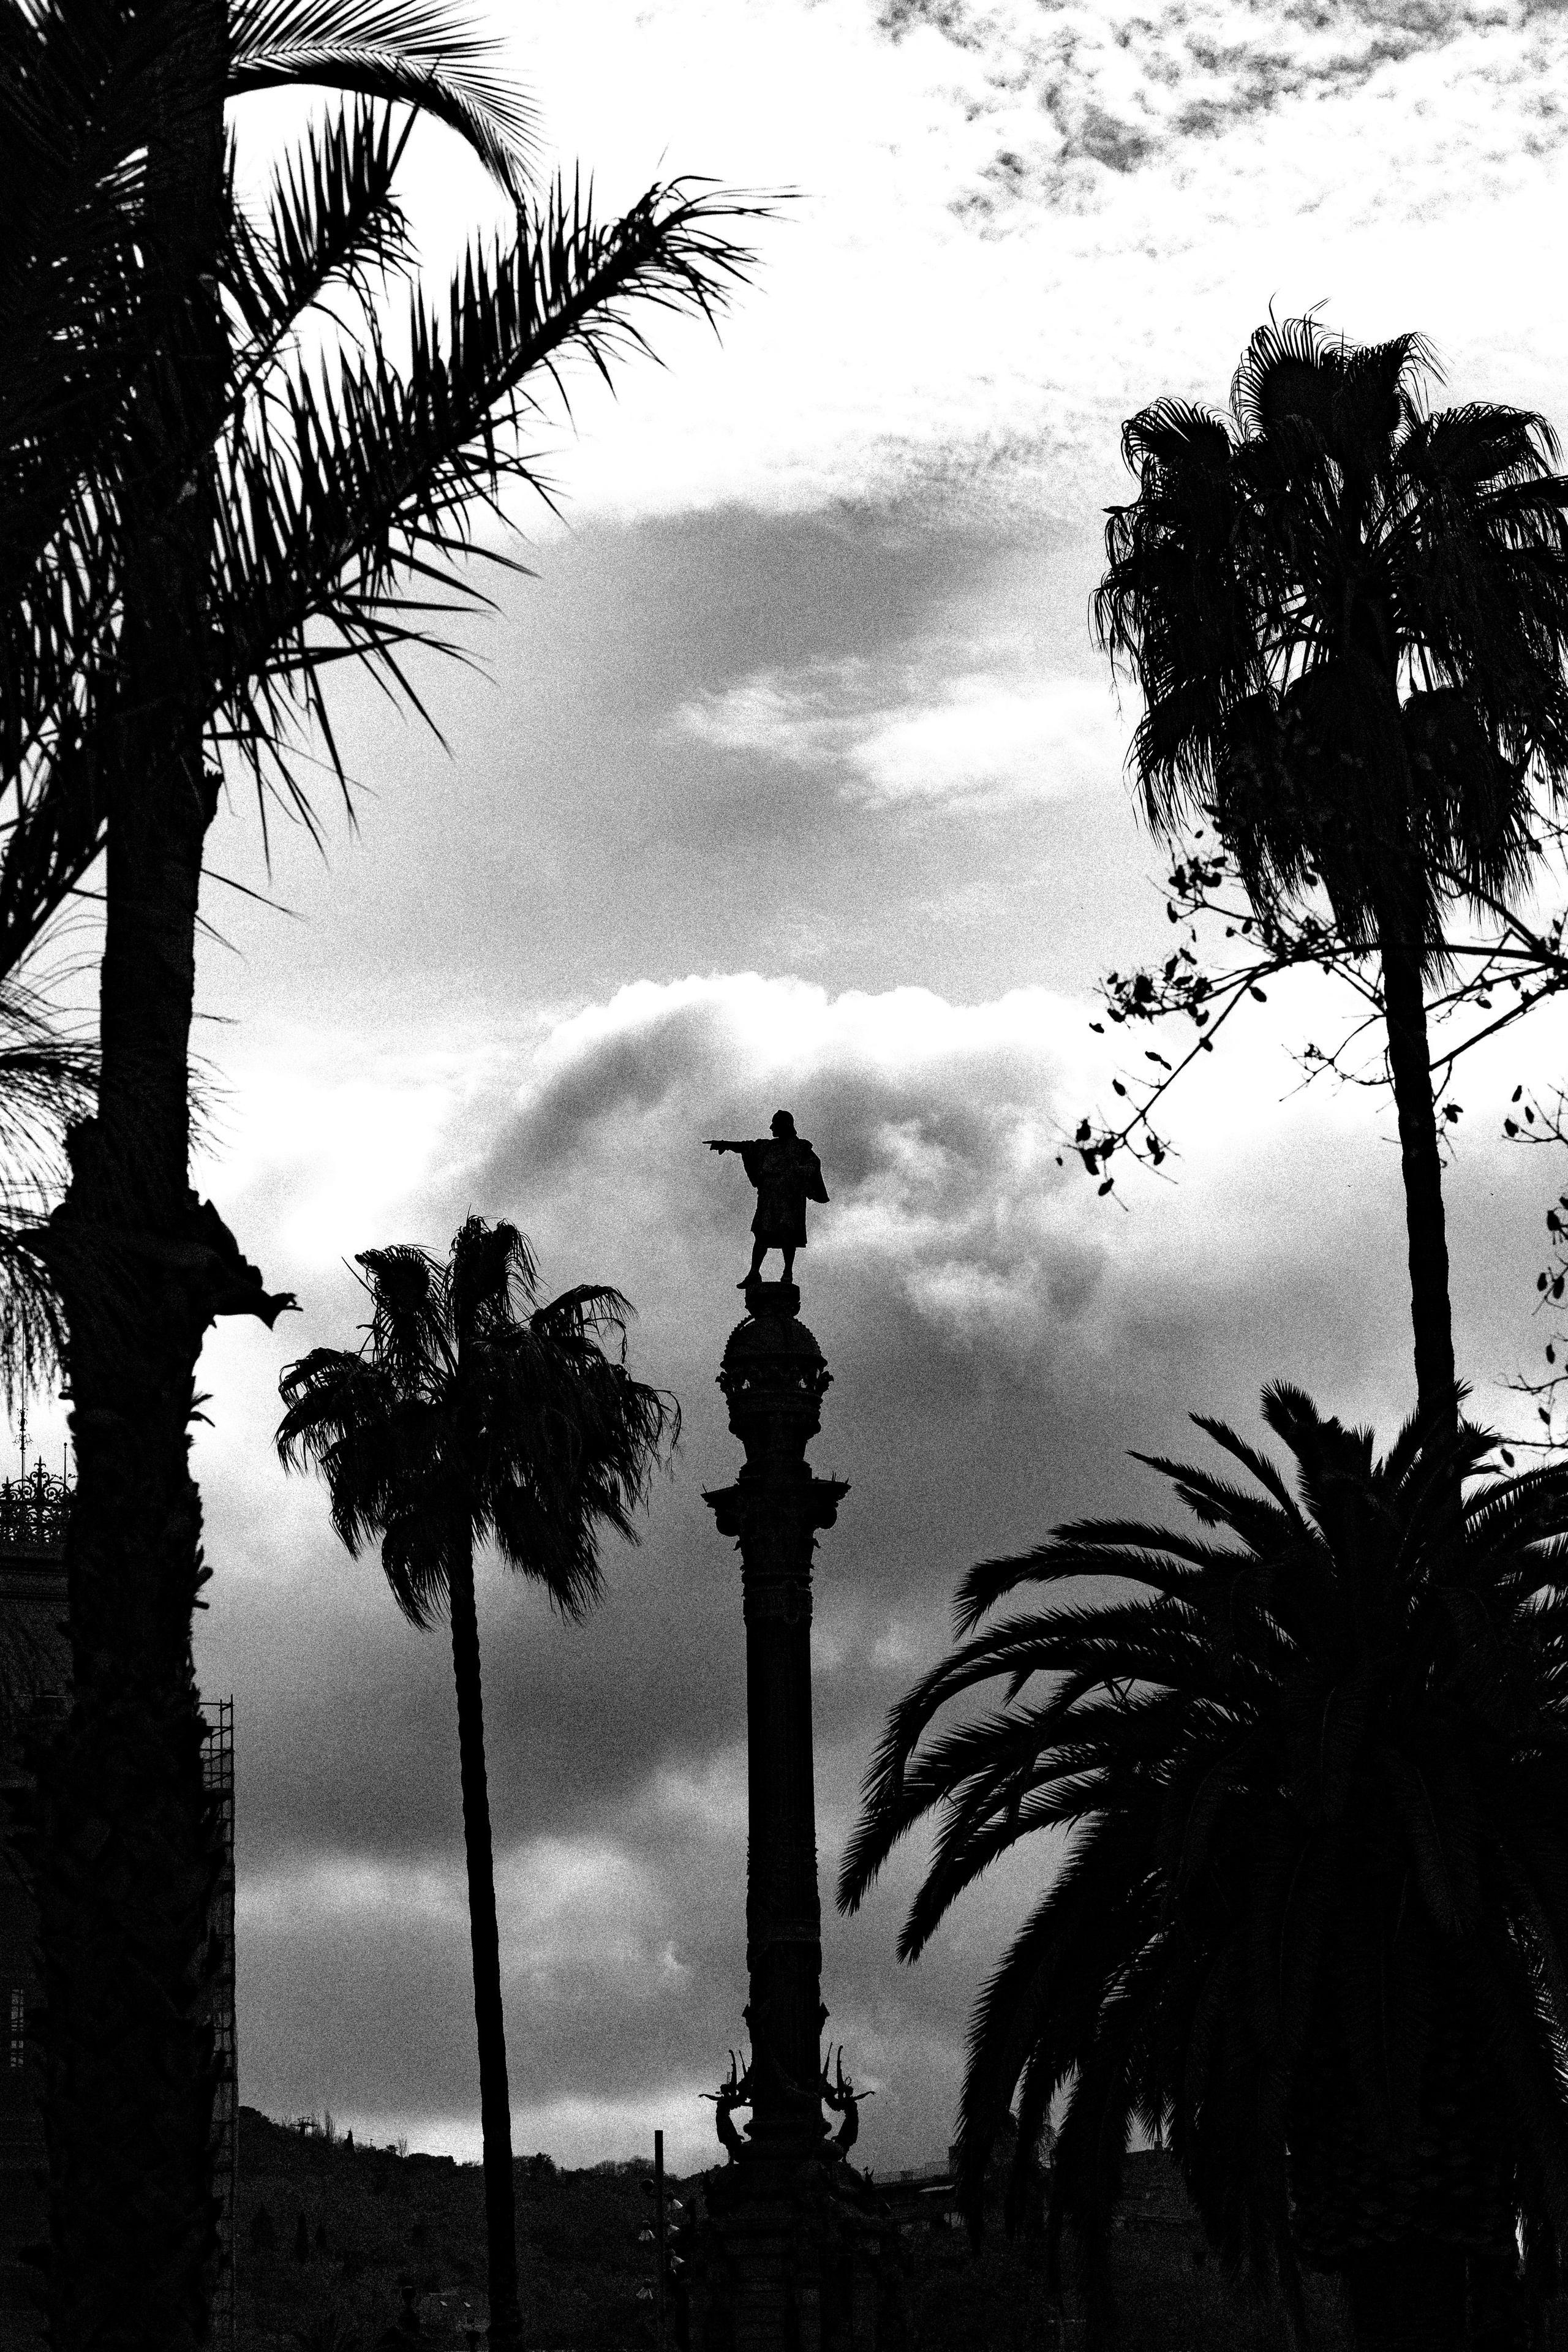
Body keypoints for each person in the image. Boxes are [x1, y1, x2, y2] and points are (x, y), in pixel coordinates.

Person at [706, 1111, 829, 1286]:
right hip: (768, 1194)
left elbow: (813, 1164)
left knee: (787, 1231)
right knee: (761, 1234)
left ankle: (787, 1272)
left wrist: (802, 1171)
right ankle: (754, 1273)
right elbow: (746, 1147)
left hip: (788, 1195)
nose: (771, 1127)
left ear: (786, 1124)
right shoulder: (767, 1147)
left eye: (775, 1124)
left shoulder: (801, 1147)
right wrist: (724, 1144)